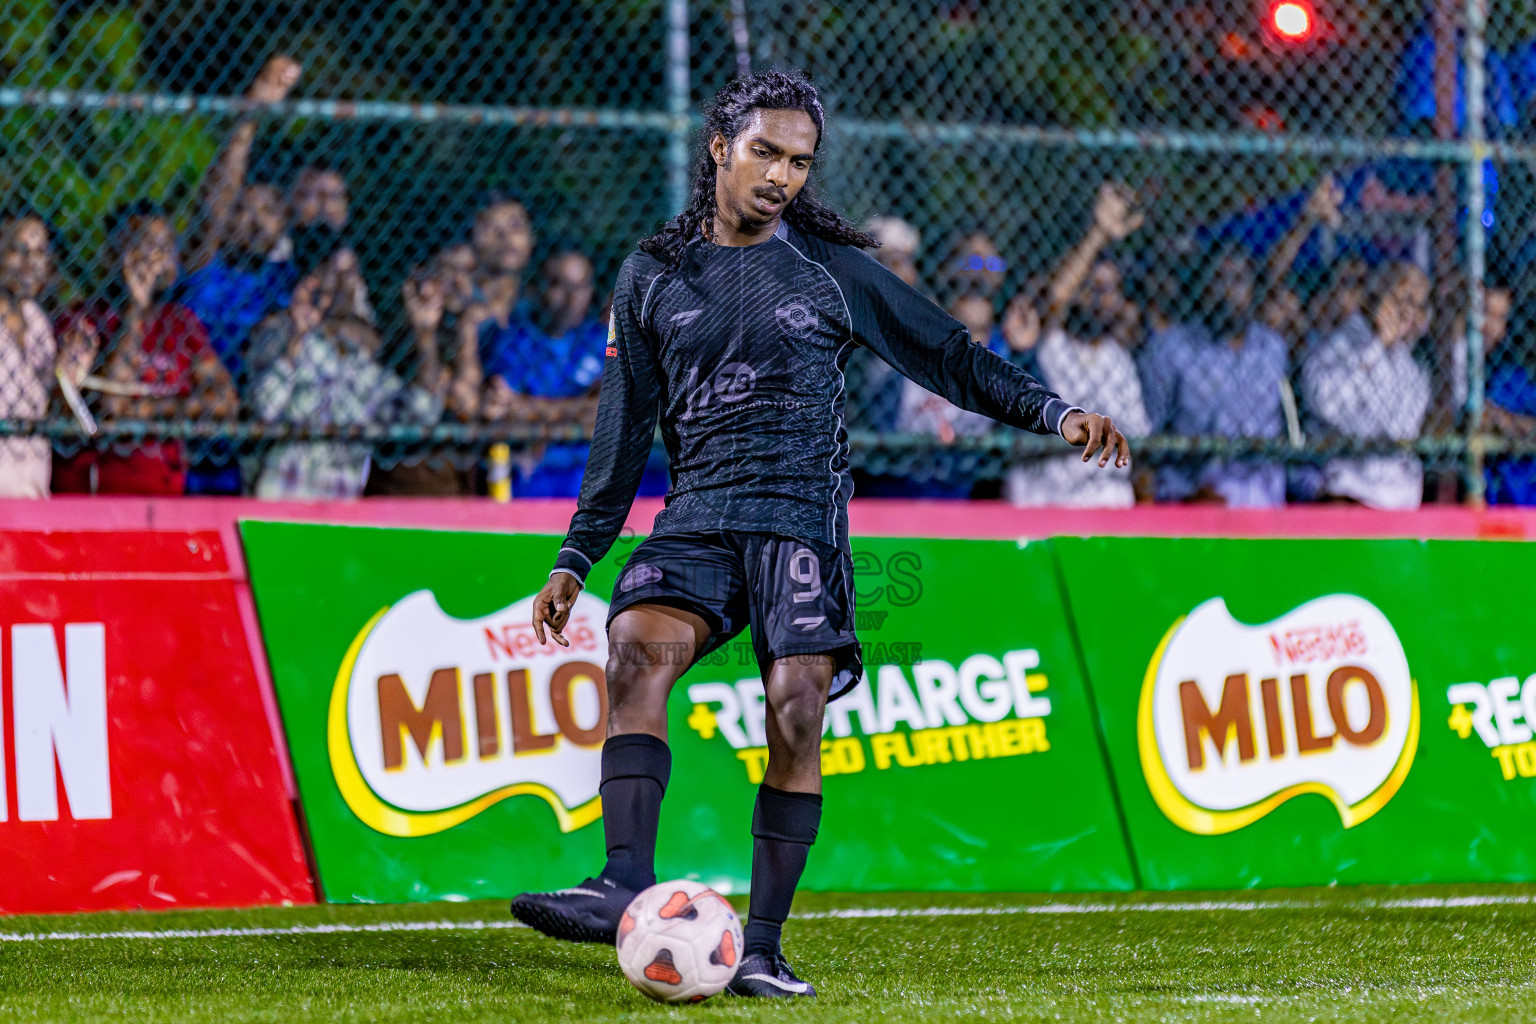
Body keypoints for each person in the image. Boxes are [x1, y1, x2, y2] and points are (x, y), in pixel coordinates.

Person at [510, 69, 1128, 998]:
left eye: (800, 162)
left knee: (797, 714)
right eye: (765, 152)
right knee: (635, 650)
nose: (783, 177)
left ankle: (759, 949)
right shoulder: (649, 275)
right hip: (700, 518)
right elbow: (622, 429)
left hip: (799, 524)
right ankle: (621, 882)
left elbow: (945, 354)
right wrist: (577, 555)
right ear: (720, 145)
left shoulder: (831, 271)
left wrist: (1055, 412)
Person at [53, 201, 237, 495]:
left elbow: (224, 399)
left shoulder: (180, 322)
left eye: (165, 247)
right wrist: (135, 310)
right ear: (111, 256)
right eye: (143, 246)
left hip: (162, 488)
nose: (155, 258)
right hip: (95, 489)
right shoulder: (82, 318)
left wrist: (149, 410)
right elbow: (112, 408)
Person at [1007, 182, 1151, 507]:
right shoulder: (1049, 345)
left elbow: (1141, 445)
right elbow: (1055, 300)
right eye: (1091, 287)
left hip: (1108, 502)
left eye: (1109, 289)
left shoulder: (1121, 360)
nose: (1100, 298)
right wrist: (1098, 234)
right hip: (1048, 501)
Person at [1140, 243, 1291, 507]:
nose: (1229, 291)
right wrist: (1183, 495)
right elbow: (1145, 436)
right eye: (1219, 278)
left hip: (1265, 502)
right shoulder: (1172, 349)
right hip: (1195, 499)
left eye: (1238, 280)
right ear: (1203, 286)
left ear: (1253, 289)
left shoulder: (1272, 349)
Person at [1301, 260, 1432, 510]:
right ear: (1377, 297)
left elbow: (1404, 431)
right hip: (1350, 498)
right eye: (1402, 299)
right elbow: (1326, 402)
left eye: (1418, 304)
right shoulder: (1340, 343)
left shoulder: (1410, 364)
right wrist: (1376, 346)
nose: (1408, 312)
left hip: (1401, 503)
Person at [480, 251, 606, 497]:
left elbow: (609, 409)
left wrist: (533, 412)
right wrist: (581, 407)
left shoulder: (602, 340)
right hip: (530, 474)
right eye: (561, 286)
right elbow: (501, 408)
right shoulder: (513, 340)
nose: (572, 298)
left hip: (588, 469)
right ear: (539, 287)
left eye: (581, 287)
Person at [0, 211, 77, 497]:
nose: (30, 264)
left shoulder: (38, 323)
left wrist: (69, 376)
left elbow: (50, 412)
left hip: (32, 493)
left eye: (40, 253)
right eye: (19, 251)